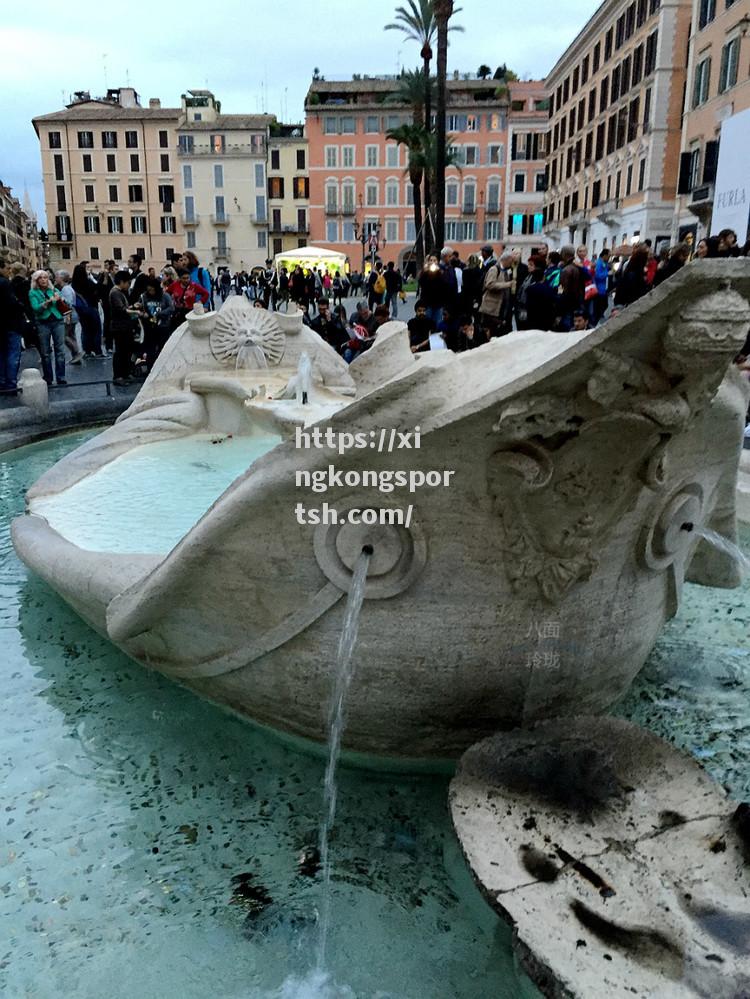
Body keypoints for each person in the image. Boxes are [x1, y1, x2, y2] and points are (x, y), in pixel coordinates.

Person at [29, 269, 67, 385]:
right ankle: (48, 378)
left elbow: (63, 305)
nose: (43, 280)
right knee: (45, 352)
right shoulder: (33, 292)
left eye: (45, 277)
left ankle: (61, 377)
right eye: (40, 278)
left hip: (57, 321)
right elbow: (35, 308)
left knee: (60, 350)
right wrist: (47, 303)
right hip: (43, 322)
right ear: (36, 280)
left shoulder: (54, 290)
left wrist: (61, 300)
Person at [109, 270, 141, 385]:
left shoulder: (120, 292)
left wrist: (132, 306)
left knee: (127, 351)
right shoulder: (115, 293)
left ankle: (126, 373)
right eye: (128, 283)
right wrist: (135, 311)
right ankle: (118, 376)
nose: (128, 286)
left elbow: (124, 307)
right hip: (119, 327)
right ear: (122, 282)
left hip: (125, 326)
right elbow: (121, 310)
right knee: (120, 352)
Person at [0, 257, 26, 393]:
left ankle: (2, 382)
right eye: (7, 268)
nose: (9, 271)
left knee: (2, 354)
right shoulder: (4, 283)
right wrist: (20, 305)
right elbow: (12, 303)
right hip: (10, 324)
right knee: (13, 354)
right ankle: (11, 384)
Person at [138, 277, 175, 370]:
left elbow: (171, 308)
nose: (150, 292)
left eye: (152, 290)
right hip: (149, 326)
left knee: (163, 348)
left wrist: (160, 314)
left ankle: (163, 368)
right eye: (149, 290)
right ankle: (150, 368)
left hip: (163, 326)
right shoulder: (144, 297)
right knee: (150, 349)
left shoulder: (165, 296)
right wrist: (143, 313)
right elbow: (140, 308)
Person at [72, 261, 104, 357]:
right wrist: (100, 277)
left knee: (85, 330)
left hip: (81, 309)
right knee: (96, 329)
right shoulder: (87, 281)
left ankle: (87, 351)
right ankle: (97, 351)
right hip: (91, 307)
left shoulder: (74, 284)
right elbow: (97, 287)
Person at [478, 252, 513, 338]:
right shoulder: (494, 269)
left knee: (497, 331)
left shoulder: (505, 271)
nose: (511, 263)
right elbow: (489, 284)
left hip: (499, 307)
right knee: (489, 331)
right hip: (490, 308)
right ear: (506, 260)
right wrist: (507, 284)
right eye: (510, 261)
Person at [55, 270, 83, 363]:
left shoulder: (65, 289)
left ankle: (77, 352)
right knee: (71, 335)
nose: (56, 279)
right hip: (72, 314)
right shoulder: (68, 288)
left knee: (64, 335)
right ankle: (76, 356)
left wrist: (60, 299)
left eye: (57, 277)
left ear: (62, 278)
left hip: (68, 315)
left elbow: (68, 303)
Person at [556, 245, 586, 331]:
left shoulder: (566, 270)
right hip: (577, 301)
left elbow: (561, 290)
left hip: (568, 304)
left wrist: (559, 308)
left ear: (564, 254)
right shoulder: (578, 267)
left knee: (568, 328)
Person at [418, 255, 446, 326]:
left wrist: (439, 272)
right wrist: (425, 272)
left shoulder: (441, 272)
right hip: (427, 302)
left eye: (434, 260)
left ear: (438, 262)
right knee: (426, 322)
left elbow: (443, 285)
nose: (433, 262)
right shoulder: (424, 272)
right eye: (431, 260)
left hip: (438, 302)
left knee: (438, 322)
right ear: (428, 262)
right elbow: (421, 283)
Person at [99, 259, 116, 351]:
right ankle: (108, 342)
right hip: (107, 303)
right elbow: (102, 287)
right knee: (108, 321)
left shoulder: (117, 278)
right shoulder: (104, 276)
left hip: (114, 303)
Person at [592, 248, 611, 325]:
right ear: (605, 255)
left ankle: (597, 318)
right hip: (599, 289)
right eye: (609, 256)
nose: (609, 258)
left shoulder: (604, 263)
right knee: (600, 306)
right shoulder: (598, 263)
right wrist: (607, 273)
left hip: (604, 288)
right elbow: (597, 276)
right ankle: (595, 321)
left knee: (605, 305)